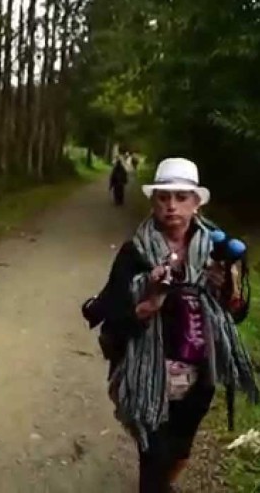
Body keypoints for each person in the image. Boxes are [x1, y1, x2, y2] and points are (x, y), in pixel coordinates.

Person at [98, 157, 258, 492]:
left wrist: (225, 288)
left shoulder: (216, 250)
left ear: (196, 203)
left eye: (182, 197)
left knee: (180, 448)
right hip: (149, 375)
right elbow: (113, 318)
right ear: (153, 202)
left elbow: (235, 313)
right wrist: (148, 302)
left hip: (200, 371)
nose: (171, 206)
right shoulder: (135, 253)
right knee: (153, 455)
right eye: (163, 198)